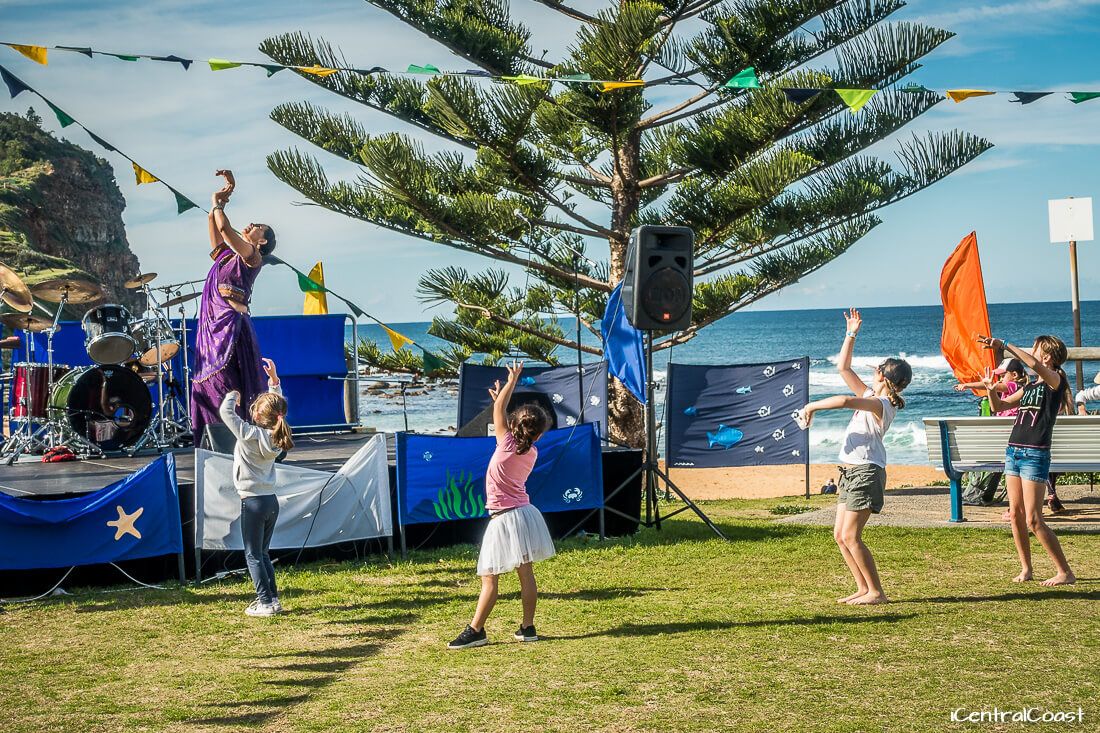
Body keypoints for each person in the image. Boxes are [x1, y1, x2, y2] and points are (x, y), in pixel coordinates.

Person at [796, 309, 912, 605]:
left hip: (866, 473)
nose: (872, 373)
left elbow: (846, 401)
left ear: (884, 378)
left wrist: (811, 407)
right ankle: (863, 588)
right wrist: (851, 333)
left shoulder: (881, 403)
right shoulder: (873, 397)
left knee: (851, 536)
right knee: (840, 536)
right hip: (849, 473)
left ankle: (877, 592)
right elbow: (843, 369)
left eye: (876, 370)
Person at [448, 361, 555, 649]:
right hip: (523, 515)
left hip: (505, 518)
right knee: (525, 574)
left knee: (489, 578)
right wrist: (503, 401)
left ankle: (476, 630)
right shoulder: (530, 451)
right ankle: (527, 628)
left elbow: (500, 416)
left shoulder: (505, 442)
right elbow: (506, 417)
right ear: (539, 433)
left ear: (513, 426)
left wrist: (511, 381)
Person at [977, 334, 1075, 586]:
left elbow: (1032, 364)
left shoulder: (1056, 381)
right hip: (1014, 452)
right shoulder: (1029, 387)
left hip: (1035, 453)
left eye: (1036, 349)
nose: (1032, 352)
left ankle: (1064, 572)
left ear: (1047, 357)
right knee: (1016, 514)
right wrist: (990, 390)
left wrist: (1004, 344)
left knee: (1033, 518)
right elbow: (999, 407)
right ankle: (1026, 568)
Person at [191, 169, 276, 445]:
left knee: (231, 387)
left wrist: (219, 206)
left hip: (232, 331)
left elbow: (226, 230)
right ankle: (216, 445)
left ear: (261, 241)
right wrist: (217, 199)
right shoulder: (227, 256)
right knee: (210, 387)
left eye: (258, 227)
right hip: (212, 329)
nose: (251, 224)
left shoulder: (252, 256)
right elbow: (216, 230)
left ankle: (244, 445)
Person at [220, 358, 294, 617]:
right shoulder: (276, 434)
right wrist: (274, 382)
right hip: (270, 501)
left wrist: (232, 395)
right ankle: (272, 600)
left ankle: (266, 603)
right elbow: (278, 408)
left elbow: (225, 414)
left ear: (259, 416)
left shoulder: (249, 435)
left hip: (252, 502)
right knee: (262, 553)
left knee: (253, 555)